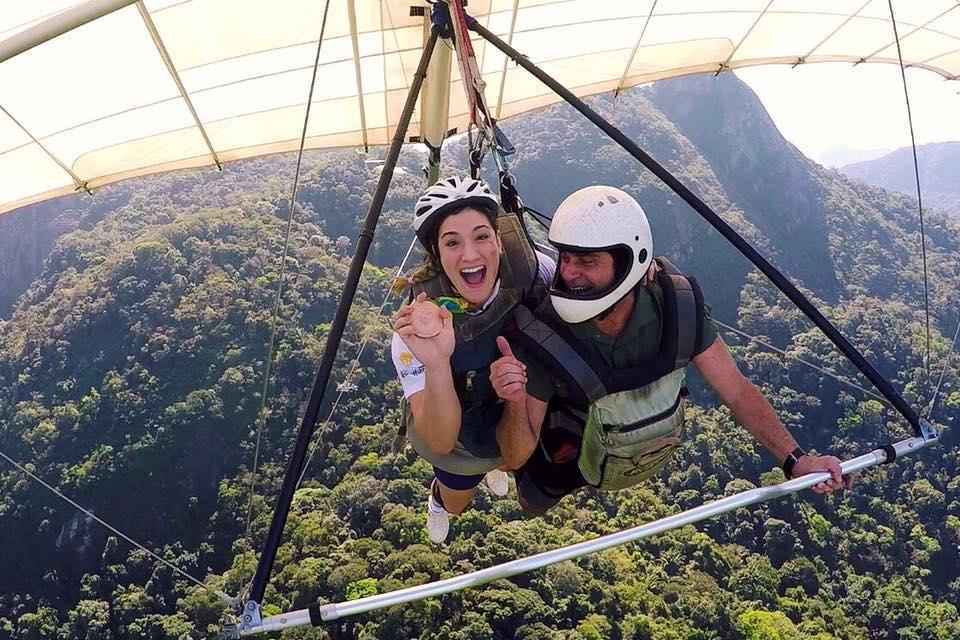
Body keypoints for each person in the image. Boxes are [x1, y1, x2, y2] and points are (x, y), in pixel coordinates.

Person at [489, 185, 852, 514]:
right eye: (566, 258)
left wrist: (795, 460)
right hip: (566, 455)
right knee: (531, 501)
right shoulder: (545, 334)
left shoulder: (675, 307)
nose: (569, 273)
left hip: (644, 448)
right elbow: (513, 457)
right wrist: (515, 400)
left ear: (629, 265)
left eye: (587, 262)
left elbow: (736, 390)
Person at [391, 176, 552, 542]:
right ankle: (438, 499)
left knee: (515, 457)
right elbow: (441, 442)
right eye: (453, 242)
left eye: (481, 236)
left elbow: (585, 286)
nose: (470, 255)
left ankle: (496, 463)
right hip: (457, 418)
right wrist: (435, 362)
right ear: (437, 254)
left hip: (514, 397)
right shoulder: (415, 331)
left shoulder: (531, 272)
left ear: (498, 239)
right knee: (457, 504)